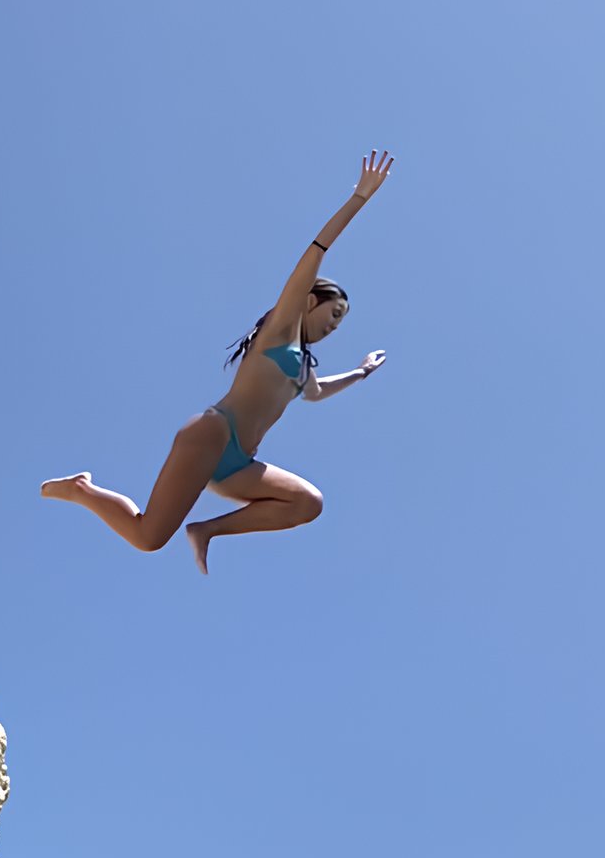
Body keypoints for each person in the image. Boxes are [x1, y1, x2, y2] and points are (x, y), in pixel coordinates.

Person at [41, 152, 394, 572]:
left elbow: (317, 393)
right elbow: (315, 253)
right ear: (310, 301)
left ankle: (206, 530)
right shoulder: (280, 329)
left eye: (342, 323)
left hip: (238, 464)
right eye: (334, 314)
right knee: (147, 537)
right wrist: (359, 198)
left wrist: (361, 371)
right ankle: (82, 489)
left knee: (307, 503)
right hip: (211, 435)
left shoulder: (303, 367)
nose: (336, 325)